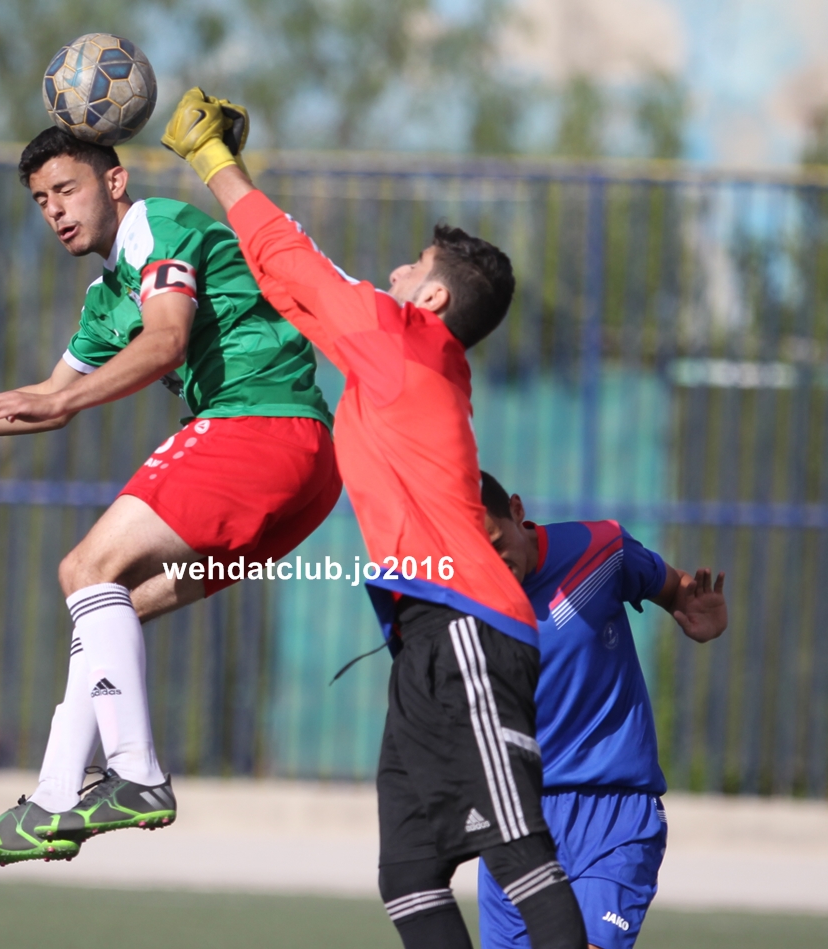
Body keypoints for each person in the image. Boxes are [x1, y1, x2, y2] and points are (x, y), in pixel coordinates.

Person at [0, 126, 340, 864]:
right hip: (304, 470)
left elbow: (166, 341)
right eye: (41, 200)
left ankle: (137, 775)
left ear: (113, 182)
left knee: (84, 569)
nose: (54, 209)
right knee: (109, 610)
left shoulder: (156, 226)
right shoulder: (107, 299)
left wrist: (61, 402)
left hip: (260, 426)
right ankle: (51, 800)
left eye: (66, 189)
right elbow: (46, 399)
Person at [161, 88, 587, 949]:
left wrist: (216, 164)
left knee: (518, 849)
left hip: (470, 628)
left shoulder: (406, 342)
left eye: (409, 266)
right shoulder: (401, 360)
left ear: (432, 299)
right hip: (426, 635)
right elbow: (294, 290)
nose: (391, 273)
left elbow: (298, 263)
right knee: (411, 872)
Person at [476, 472, 727, 949]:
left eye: (496, 542)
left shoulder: (601, 551)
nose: (491, 562)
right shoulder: (460, 595)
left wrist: (690, 605)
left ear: (517, 510)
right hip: (516, 818)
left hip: (614, 813)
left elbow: (674, 587)